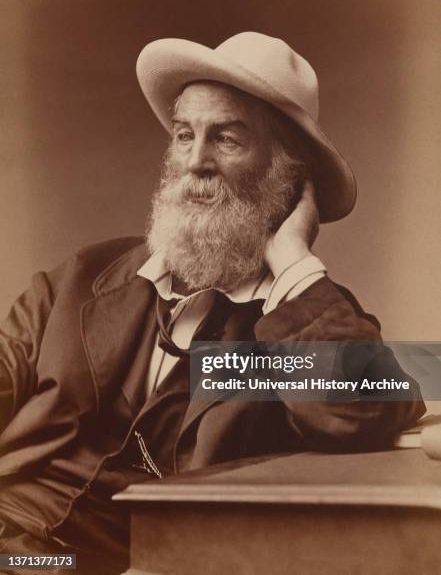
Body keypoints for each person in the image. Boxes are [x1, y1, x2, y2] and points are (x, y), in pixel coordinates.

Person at [0, 32, 425, 573]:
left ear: (286, 173)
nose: (195, 161)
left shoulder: (306, 311)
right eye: (183, 136)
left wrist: (291, 258)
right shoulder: (85, 276)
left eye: (226, 139)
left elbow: (363, 410)